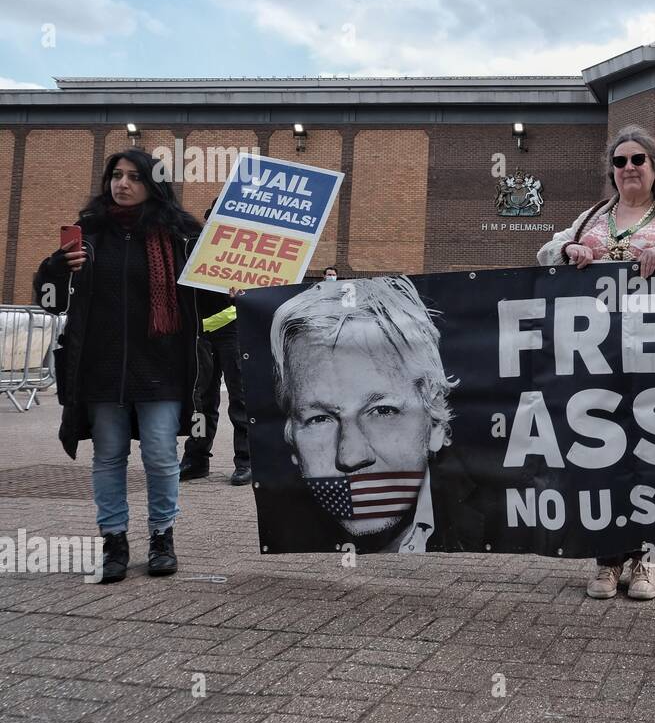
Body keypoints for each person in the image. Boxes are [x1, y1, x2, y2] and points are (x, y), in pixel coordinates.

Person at [538, 125, 655, 601]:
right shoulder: (592, 217)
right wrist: (568, 249)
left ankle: (646, 556)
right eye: (620, 162)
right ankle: (607, 557)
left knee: (652, 451)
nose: (628, 168)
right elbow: (544, 253)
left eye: (637, 160)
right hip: (598, 359)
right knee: (601, 451)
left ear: (653, 167)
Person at [33, 149, 228, 583]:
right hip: (101, 368)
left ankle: (162, 536)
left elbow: (205, 301)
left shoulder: (180, 236)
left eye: (134, 177)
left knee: (160, 456)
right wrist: (56, 268)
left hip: (161, 366)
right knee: (108, 457)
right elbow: (48, 301)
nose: (122, 184)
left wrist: (232, 286)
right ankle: (114, 540)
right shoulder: (87, 234)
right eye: (116, 176)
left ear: (153, 185)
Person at [269, 275, 471, 553]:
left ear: (435, 424)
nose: (350, 456)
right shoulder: (280, 529)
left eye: (381, 411)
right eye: (320, 418)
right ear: (291, 438)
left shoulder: (498, 520)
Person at [181, 201, 252, 486]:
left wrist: (245, 292)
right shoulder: (192, 247)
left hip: (234, 331)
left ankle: (246, 461)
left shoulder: (245, 250)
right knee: (201, 401)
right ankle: (196, 459)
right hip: (199, 332)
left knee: (241, 399)